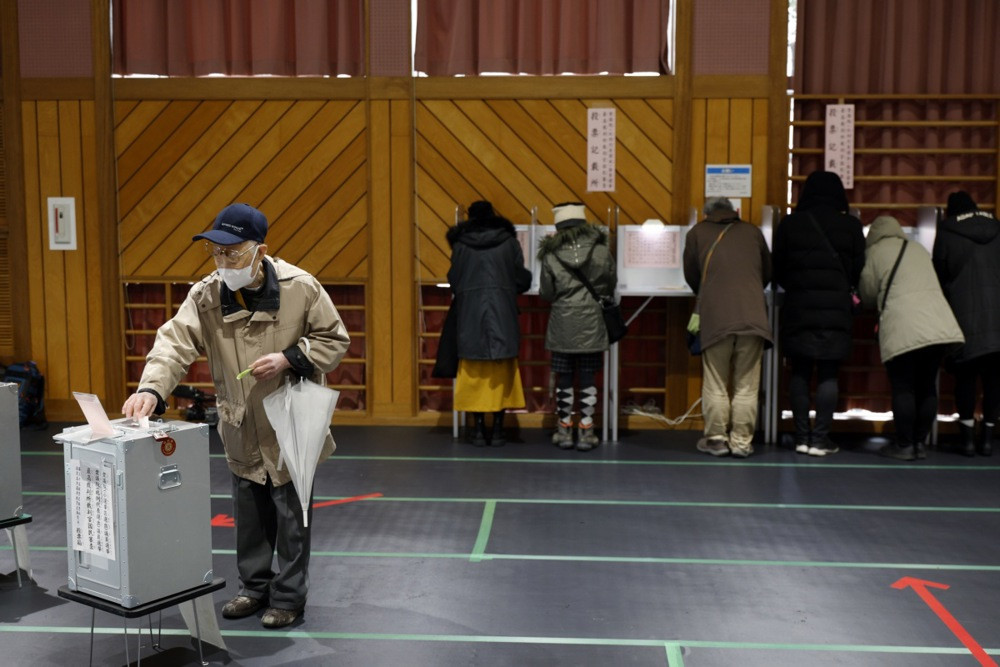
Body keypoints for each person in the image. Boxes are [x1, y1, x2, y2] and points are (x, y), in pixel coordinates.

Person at [122, 203, 350, 629]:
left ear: (260, 252)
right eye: (216, 253)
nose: (223, 262)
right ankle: (253, 588)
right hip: (240, 422)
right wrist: (151, 389)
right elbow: (173, 345)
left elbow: (334, 338)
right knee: (249, 515)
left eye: (233, 253)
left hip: (292, 423)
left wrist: (288, 358)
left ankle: (288, 597)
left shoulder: (301, 287)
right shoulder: (205, 296)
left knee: (292, 517)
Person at [772, 170, 865, 456]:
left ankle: (801, 437)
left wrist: (799, 287)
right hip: (836, 309)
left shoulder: (790, 224)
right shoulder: (850, 225)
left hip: (799, 306)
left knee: (799, 371)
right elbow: (858, 268)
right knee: (828, 374)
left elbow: (777, 269)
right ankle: (821, 440)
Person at [859, 216, 964, 460]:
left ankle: (904, 445)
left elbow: (867, 294)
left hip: (903, 325)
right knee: (927, 386)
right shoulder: (917, 248)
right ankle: (919, 443)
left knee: (903, 386)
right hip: (937, 325)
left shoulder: (875, 252)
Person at [683, 198, 772, 458]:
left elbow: (691, 274)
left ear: (707, 214)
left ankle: (716, 440)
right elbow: (767, 271)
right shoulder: (753, 232)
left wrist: (709, 290)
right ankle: (742, 443)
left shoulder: (696, 233)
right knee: (747, 384)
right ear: (735, 212)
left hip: (716, 317)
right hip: (753, 317)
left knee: (715, 382)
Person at [446, 200, 532, 445]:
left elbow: (453, 280)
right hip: (502, 316)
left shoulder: (461, 246)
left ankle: (477, 430)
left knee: (474, 376)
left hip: (470, 318)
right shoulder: (509, 242)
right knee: (500, 376)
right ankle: (497, 431)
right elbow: (522, 280)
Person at [537, 202, 617, 451]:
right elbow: (611, 283)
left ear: (559, 227)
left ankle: (563, 429)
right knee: (587, 375)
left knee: (564, 375)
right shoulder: (602, 250)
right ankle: (586, 429)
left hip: (562, 320)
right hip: (592, 320)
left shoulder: (551, 254)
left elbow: (547, 292)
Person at [933, 191, 1000, 457]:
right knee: (995, 379)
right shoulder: (997, 229)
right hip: (997, 318)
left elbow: (938, 275)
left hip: (962, 316)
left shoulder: (947, 233)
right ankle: (987, 439)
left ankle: (968, 440)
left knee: (966, 378)